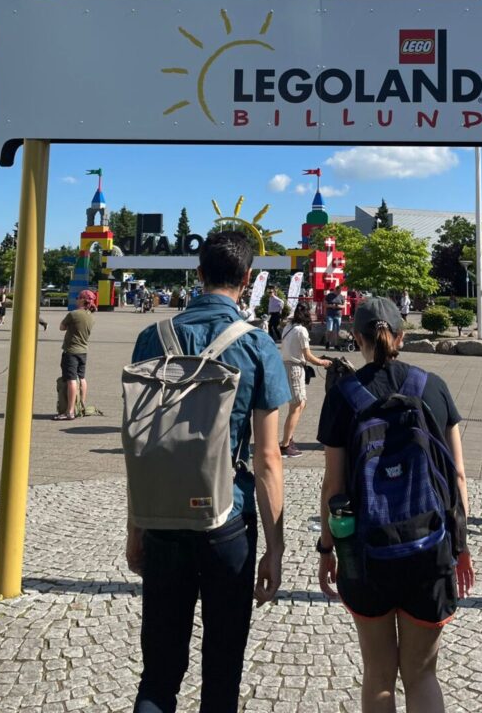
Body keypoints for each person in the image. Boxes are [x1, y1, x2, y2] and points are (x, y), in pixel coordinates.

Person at [126, 232, 290, 713]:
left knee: (158, 671)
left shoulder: (151, 338)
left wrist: (136, 526)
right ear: (247, 278)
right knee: (222, 668)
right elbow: (267, 460)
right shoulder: (258, 346)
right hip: (228, 520)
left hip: (161, 517)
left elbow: (143, 446)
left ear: (198, 274)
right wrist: (276, 549)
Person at [317, 297, 474, 713]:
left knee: (379, 674)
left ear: (357, 338)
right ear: (402, 336)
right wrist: (461, 547)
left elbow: (333, 486)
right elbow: (457, 478)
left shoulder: (343, 397)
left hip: (367, 553)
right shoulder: (433, 386)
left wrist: (327, 549)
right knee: (422, 675)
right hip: (429, 547)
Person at [279, 302, 330, 458]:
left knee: (299, 403)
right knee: (297, 405)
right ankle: (285, 445)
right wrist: (322, 362)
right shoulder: (301, 331)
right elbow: (307, 355)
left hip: (287, 366)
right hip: (295, 368)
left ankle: (289, 437)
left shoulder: (288, 327)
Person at [53, 289, 96, 421]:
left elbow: (61, 327)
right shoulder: (91, 316)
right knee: (82, 378)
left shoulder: (73, 314)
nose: (76, 299)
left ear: (82, 300)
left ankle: (69, 411)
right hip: (83, 351)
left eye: (78, 297)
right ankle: (81, 406)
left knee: (71, 379)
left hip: (71, 351)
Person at [324, 284, 346, 350]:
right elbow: (324, 304)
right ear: (335, 290)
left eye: (340, 291)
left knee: (337, 331)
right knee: (329, 329)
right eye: (338, 291)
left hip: (338, 315)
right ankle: (327, 342)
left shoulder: (341, 297)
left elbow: (344, 306)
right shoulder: (329, 296)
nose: (339, 292)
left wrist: (338, 306)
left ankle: (336, 344)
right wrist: (331, 306)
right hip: (330, 314)